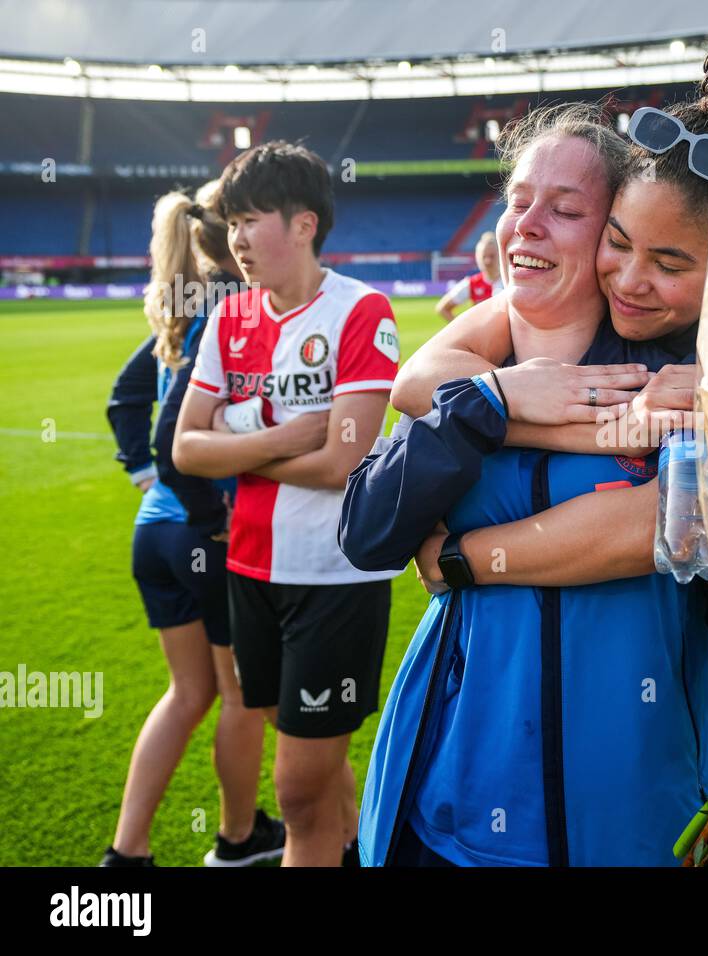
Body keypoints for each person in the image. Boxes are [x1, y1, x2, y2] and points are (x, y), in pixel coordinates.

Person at [343, 51, 708, 868]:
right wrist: (499, 404)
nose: (527, 226)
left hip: (625, 812)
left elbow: (658, 528)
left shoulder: (688, 377)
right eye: (517, 203)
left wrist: (464, 556)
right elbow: (367, 529)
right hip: (448, 798)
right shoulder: (481, 367)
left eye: (567, 210)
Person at [172, 142, 402, 866]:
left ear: (304, 224)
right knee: (302, 748)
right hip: (249, 568)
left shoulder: (361, 311)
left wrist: (239, 445)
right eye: (231, 222)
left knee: (299, 792)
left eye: (251, 219)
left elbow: (345, 461)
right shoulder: (227, 318)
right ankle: (370, 847)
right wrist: (282, 436)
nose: (236, 238)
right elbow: (184, 449)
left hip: (335, 578)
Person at [103, 181, 284, 867]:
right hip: (203, 532)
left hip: (155, 530)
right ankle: (239, 840)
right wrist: (213, 517)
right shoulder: (236, 307)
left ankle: (128, 854)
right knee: (240, 695)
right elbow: (172, 434)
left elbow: (127, 398)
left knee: (189, 693)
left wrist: (147, 481)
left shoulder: (186, 305)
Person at [434, 231, 502, 322]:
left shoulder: (511, 281)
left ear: (500, 255)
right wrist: (464, 330)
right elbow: (442, 308)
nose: (487, 261)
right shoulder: (471, 283)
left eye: (492, 256)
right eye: (484, 256)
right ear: (477, 258)